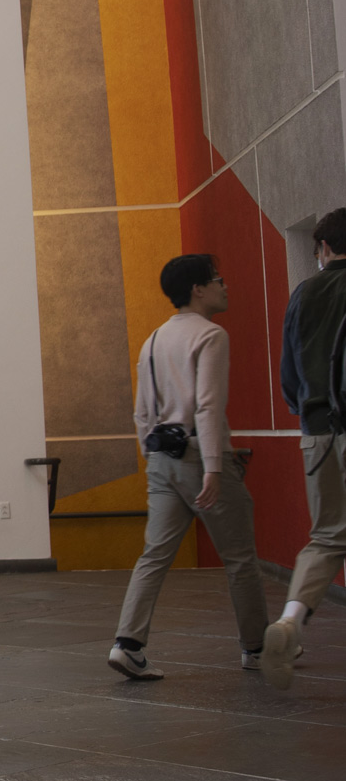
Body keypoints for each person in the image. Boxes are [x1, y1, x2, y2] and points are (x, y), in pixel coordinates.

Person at [109, 252, 268, 680]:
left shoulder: (154, 340)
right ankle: (256, 648)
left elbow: (142, 413)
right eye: (218, 279)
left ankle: (128, 644)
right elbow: (209, 405)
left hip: (162, 459)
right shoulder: (211, 335)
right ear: (198, 289)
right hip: (201, 457)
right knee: (239, 558)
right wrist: (215, 467)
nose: (225, 286)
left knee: (154, 555)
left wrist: (153, 457)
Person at [260, 208, 346, 687]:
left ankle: (290, 622)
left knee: (329, 536)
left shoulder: (305, 293)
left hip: (316, 432)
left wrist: (308, 413)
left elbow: (288, 374)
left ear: (323, 248)